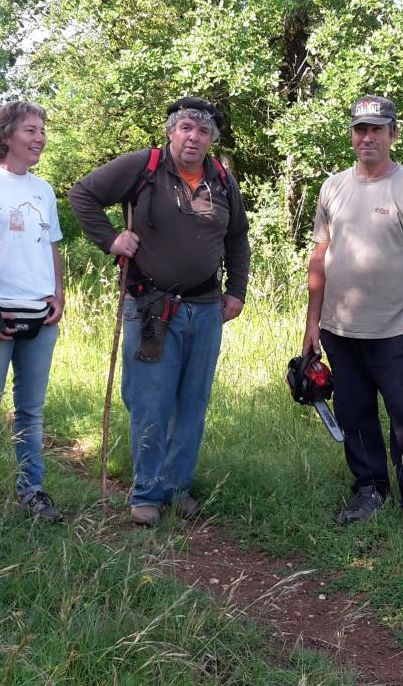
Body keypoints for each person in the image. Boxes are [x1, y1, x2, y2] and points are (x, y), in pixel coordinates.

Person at [68, 96, 250, 527]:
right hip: (151, 306)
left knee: (193, 401)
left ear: (211, 140)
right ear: (171, 132)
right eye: (186, 127)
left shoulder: (221, 179)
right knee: (151, 400)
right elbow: (82, 195)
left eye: (203, 131)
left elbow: (238, 240)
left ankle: (178, 487)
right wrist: (111, 239)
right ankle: (147, 492)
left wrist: (236, 291)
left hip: (206, 310)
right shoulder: (143, 167)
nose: (194, 137)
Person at [302, 95, 403, 547]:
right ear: (352, 135)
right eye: (360, 129)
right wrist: (312, 324)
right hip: (339, 329)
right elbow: (319, 257)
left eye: (377, 130)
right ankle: (369, 489)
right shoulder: (333, 187)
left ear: (393, 135)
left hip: (397, 331)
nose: (368, 137)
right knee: (354, 414)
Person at [0, 100, 65, 526]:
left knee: (31, 411)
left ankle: (32, 491)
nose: (39, 138)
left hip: (41, 313)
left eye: (42, 131)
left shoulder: (43, 189)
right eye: (30, 130)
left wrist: (58, 293)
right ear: (5, 135)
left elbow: (51, 243)